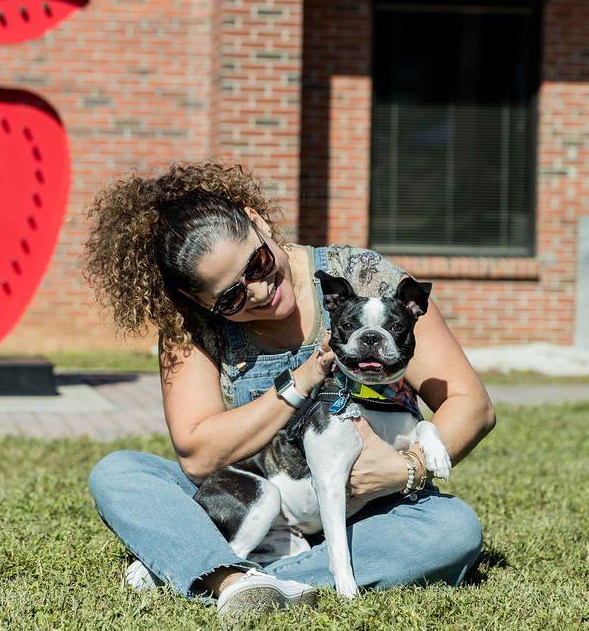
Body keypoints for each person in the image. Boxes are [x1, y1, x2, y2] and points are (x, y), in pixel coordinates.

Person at [83, 162, 495, 621]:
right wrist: (301, 382)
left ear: (258, 221)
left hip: (373, 509)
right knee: (120, 472)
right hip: (247, 494)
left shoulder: (361, 276)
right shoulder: (192, 327)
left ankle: (219, 571)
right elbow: (199, 456)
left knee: (452, 530)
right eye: (231, 299)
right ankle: (239, 579)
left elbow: (470, 404)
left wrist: (406, 469)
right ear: (198, 303)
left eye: (257, 263)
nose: (259, 291)